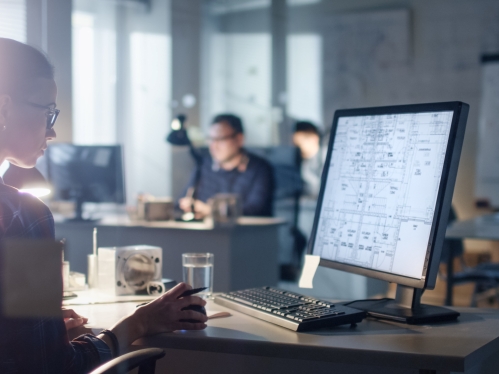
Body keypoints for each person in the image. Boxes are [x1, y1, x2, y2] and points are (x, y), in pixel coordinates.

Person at [0, 38, 208, 373]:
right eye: (48, 113)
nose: (51, 132)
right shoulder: (24, 215)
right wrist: (139, 323)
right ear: (4, 108)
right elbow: (52, 366)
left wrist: (36, 329)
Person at [179, 114, 274, 219]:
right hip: (205, 233)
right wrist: (189, 205)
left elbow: (256, 210)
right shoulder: (204, 165)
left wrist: (212, 211)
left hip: (245, 233)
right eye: (210, 139)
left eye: (220, 139)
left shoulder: (260, 169)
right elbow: (183, 201)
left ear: (239, 139)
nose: (213, 146)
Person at [292, 121, 323, 197]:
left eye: (299, 144)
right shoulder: (300, 161)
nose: (296, 148)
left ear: (314, 139)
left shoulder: (325, 159)